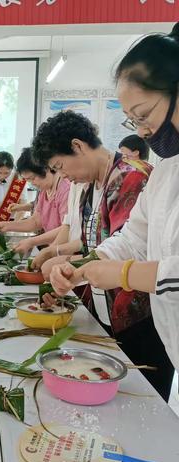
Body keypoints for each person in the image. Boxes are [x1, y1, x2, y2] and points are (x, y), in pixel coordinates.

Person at [49, 22, 179, 383]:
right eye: (133, 119)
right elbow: (133, 236)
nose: (141, 131)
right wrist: (90, 264)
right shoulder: (168, 170)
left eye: (144, 114)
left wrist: (124, 274)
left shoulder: (134, 174)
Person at [33, 110, 173, 400]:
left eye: (60, 166)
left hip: (141, 320)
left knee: (143, 402)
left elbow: (136, 249)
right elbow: (116, 243)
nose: (63, 177)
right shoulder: (89, 188)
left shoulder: (131, 177)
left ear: (78, 146)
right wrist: (78, 272)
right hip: (108, 313)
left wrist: (105, 271)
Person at [0, 148, 70, 246]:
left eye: (32, 178)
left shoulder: (65, 189)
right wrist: (7, 225)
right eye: (28, 180)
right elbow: (35, 221)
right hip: (53, 248)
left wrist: (32, 242)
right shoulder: (44, 190)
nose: (32, 184)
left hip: (65, 250)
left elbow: (67, 229)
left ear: (46, 169)